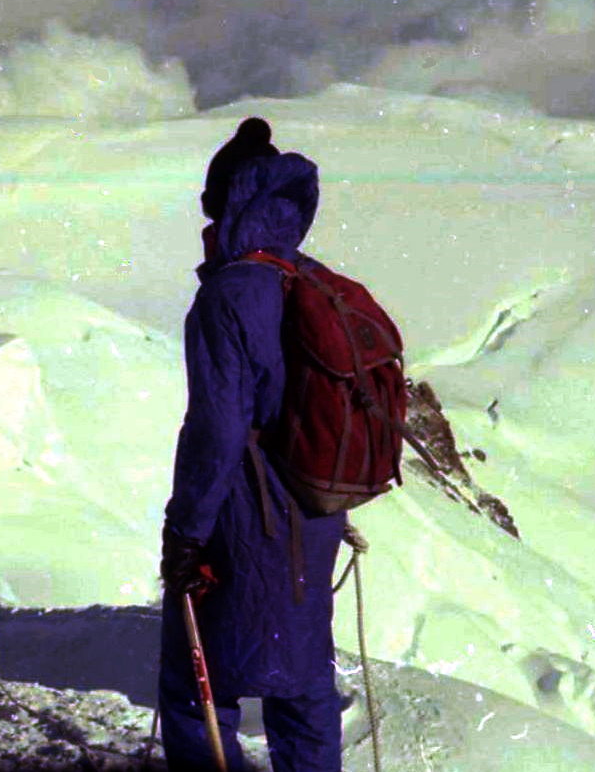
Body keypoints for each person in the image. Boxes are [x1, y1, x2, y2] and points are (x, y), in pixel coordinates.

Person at [158, 118, 346, 771]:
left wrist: (184, 531)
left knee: (195, 677)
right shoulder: (311, 279)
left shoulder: (228, 293)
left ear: (224, 203)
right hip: (313, 511)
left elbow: (216, 428)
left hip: (247, 513)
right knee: (301, 674)